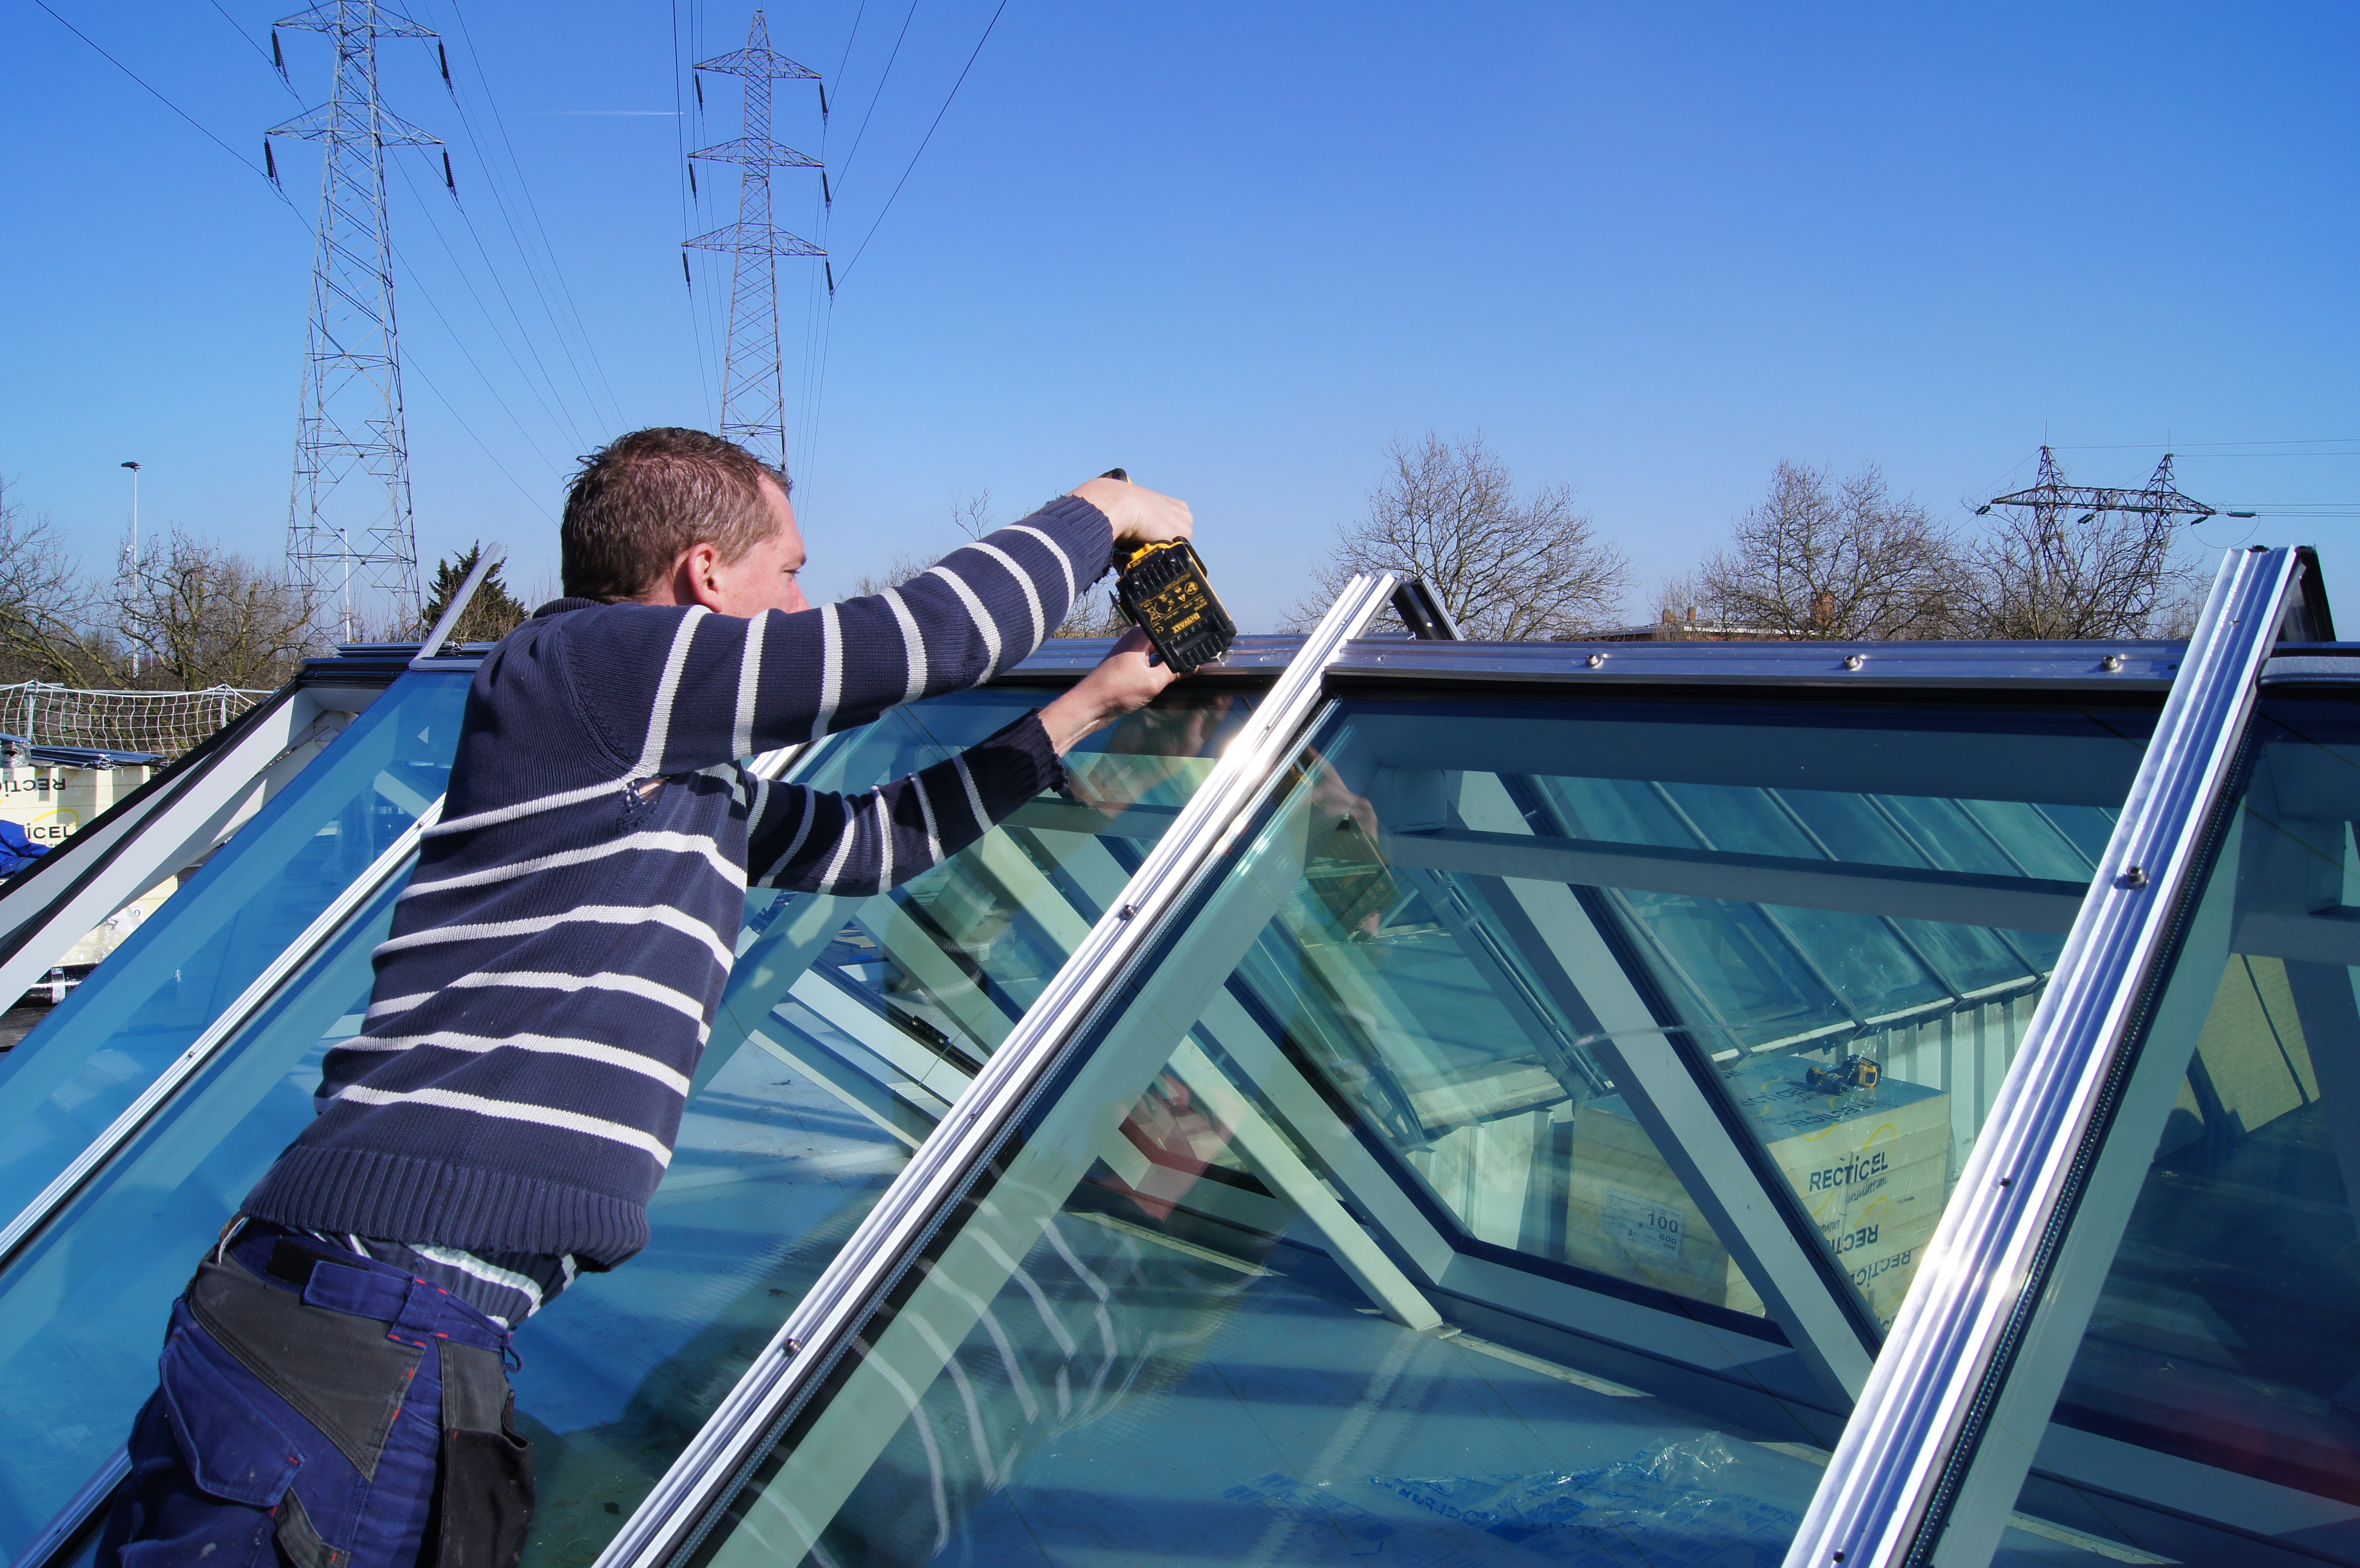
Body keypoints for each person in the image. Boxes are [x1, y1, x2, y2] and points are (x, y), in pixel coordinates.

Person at [98, 428, 1193, 1568]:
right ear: (705, 573)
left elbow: (869, 845)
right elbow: (914, 643)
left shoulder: (659, 766)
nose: (804, 596)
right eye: (791, 568)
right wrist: (1097, 511)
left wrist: (1086, 710)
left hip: (385, 1318)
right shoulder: (584, 664)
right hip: (368, 1325)